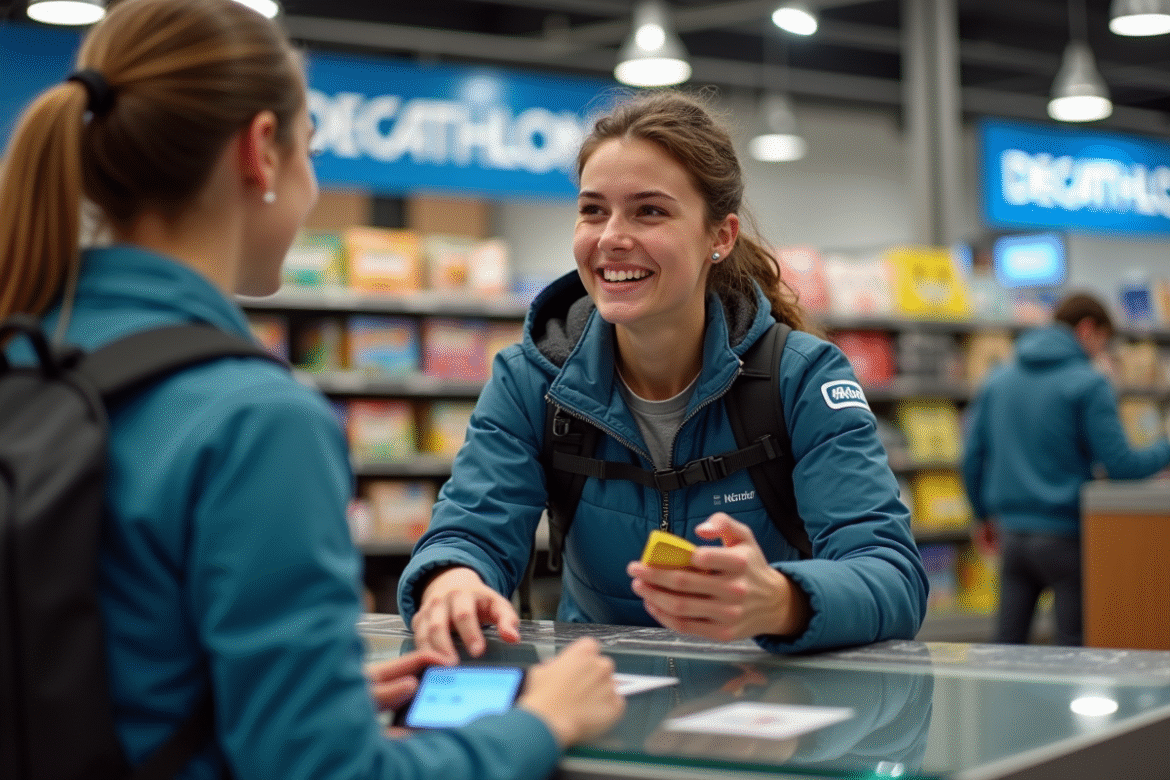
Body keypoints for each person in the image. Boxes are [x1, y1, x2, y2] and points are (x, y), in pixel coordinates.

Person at [0, 1, 623, 778]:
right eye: (311, 150)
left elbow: (103, 666)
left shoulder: (28, 354)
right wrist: (539, 721)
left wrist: (294, 697)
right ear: (261, 151)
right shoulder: (253, 420)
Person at [399, 90, 928, 660]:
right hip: (597, 692)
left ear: (719, 238)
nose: (611, 238)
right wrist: (452, 581)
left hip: (767, 694)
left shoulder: (802, 378)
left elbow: (892, 575)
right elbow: (470, 531)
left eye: (649, 211)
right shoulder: (531, 378)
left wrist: (781, 600)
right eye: (593, 210)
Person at [961, 292, 1170, 647]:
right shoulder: (1088, 382)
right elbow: (1121, 465)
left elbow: (972, 457)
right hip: (1066, 536)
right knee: (1074, 653)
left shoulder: (998, 380)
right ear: (1088, 330)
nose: (1101, 354)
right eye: (1103, 342)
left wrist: (983, 517)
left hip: (1011, 535)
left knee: (1006, 650)